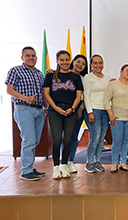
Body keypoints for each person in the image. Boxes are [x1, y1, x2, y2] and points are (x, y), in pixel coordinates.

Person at [5, 46, 45, 181]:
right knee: (28, 140)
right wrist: (26, 98)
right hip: (24, 109)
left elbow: (43, 92)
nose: (31, 58)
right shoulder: (15, 71)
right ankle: (26, 171)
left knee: (35, 140)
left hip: (39, 110)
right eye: (28, 55)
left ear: (36, 58)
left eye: (33, 55)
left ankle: (30, 166)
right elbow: (9, 90)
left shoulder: (40, 73)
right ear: (22, 58)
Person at [43, 50, 83, 179]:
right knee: (57, 140)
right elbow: (46, 94)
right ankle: (56, 168)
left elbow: (79, 95)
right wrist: (55, 108)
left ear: (70, 60)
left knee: (67, 140)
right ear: (57, 61)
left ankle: (64, 165)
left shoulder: (75, 77)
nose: (65, 62)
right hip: (55, 111)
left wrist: (72, 108)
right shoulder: (50, 75)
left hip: (71, 111)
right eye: (62, 60)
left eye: (67, 60)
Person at [104, 64, 128, 173]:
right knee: (117, 141)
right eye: (127, 71)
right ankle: (115, 163)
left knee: (126, 141)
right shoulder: (113, 84)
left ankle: (123, 163)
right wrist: (111, 114)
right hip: (116, 117)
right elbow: (106, 100)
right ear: (121, 71)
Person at [83, 54, 111, 173]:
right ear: (91, 65)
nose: (98, 65)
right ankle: (89, 162)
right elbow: (86, 96)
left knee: (101, 138)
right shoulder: (88, 77)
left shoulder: (108, 78)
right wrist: (90, 112)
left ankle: (97, 161)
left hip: (105, 111)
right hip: (93, 110)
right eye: (95, 63)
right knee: (95, 137)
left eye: (100, 62)